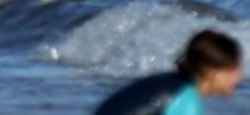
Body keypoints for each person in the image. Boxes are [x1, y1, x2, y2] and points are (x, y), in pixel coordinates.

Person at [95, 29, 240, 115]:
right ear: (211, 71)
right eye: (232, 69)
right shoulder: (186, 99)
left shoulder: (170, 82)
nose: (237, 76)